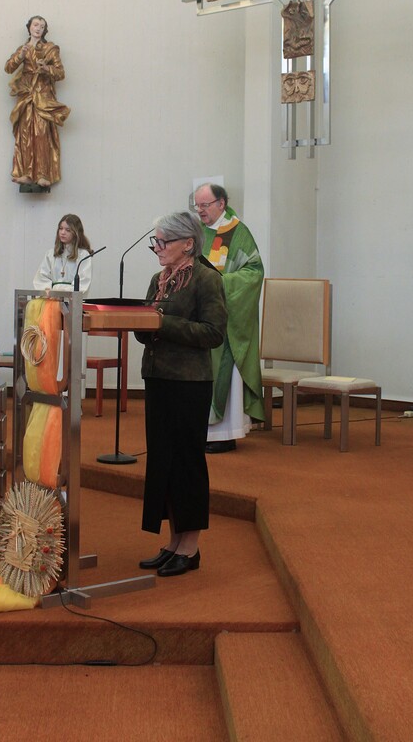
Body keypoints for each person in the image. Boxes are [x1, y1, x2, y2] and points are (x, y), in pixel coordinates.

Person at [135, 211, 227, 577]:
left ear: (188, 243)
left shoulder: (206, 279)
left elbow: (213, 333)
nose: (157, 248)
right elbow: (146, 327)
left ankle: (190, 548)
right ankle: (173, 543)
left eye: (163, 242)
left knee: (187, 463)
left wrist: (162, 323)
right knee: (164, 461)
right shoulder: (158, 280)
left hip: (189, 383)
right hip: (158, 378)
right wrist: (141, 324)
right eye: (155, 242)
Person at [193, 183, 265, 452]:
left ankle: (225, 434)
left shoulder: (238, 232)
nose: (200, 211)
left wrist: (222, 282)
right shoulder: (198, 233)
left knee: (224, 370)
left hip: (228, 319)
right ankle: (202, 431)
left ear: (221, 204)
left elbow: (254, 272)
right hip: (201, 316)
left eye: (205, 205)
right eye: (197, 206)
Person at [4, 16, 71, 187]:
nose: (38, 28)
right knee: (25, 134)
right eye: (35, 25)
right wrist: (20, 56)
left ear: (44, 30)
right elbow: (9, 68)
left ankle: (42, 174)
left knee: (41, 134)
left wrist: (46, 68)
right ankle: (26, 173)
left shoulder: (50, 49)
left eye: (42, 26)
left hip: (42, 96)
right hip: (26, 95)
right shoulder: (23, 48)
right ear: (29, 28)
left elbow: (60, 73)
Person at [33, 214, 93, 294]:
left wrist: (63, 291)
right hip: (52, 298)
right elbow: (41, 277)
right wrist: (49, 291)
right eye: (61, 229)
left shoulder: (83, 255)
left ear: (76, 233)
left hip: (72, 299)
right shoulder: (51, 254)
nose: (63, 232)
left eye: (68, 230)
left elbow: (83, 282)